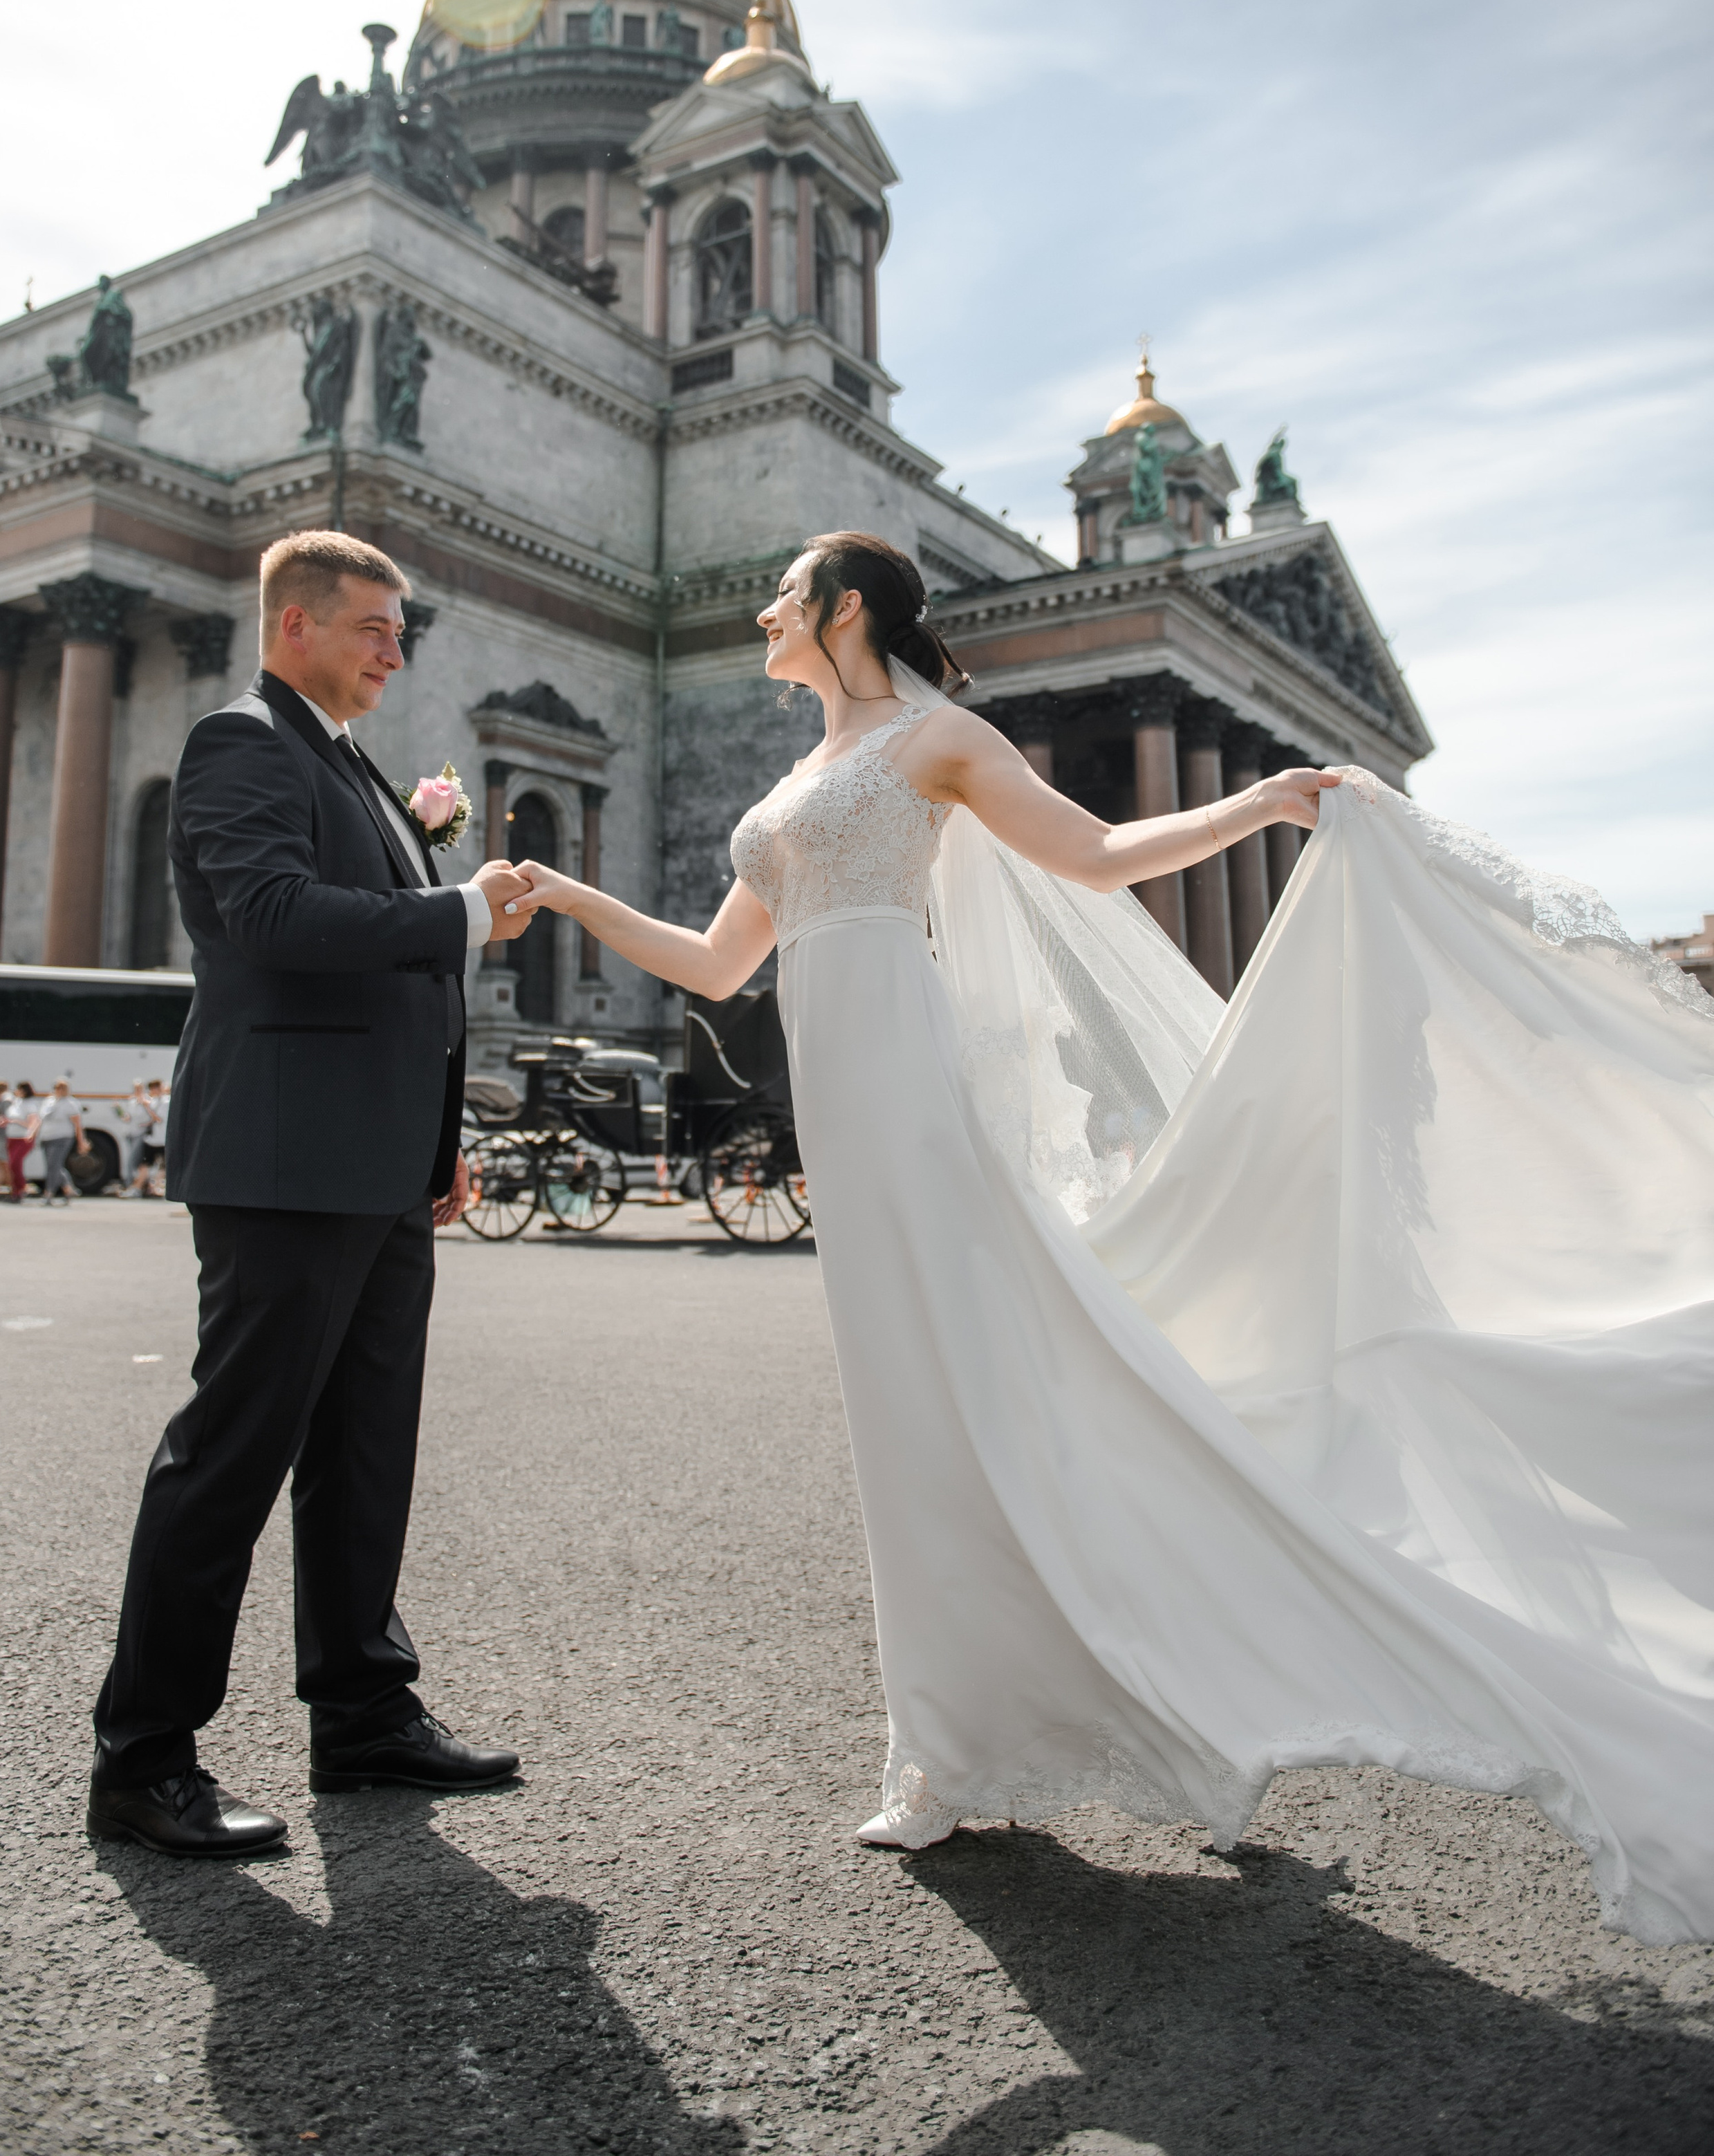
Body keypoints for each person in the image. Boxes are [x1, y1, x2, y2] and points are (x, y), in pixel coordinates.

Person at [504, 529, 1714, 1948]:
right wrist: (566, 895)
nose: (760, 607)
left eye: (783, 591)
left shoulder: (937, 739)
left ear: (839, 611)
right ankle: (950, 1739)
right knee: (911, 1431)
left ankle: (993, 1733)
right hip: (840, 1116)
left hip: (908, 1108)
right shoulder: (794, 781)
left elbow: (1091, 859)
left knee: (972, 1408)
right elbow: (719, 965)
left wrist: (1256, 803)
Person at [89, 530, 538, 1859]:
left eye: (400, 632)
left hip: (383, 1164)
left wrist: (437, 1137)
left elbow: (390, 985)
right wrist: (460, 914)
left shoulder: (348, 763)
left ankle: (361, 1713)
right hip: (287, 1163)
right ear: (295, 626)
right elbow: (272, 919)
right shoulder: (245, 746)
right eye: (376, 629)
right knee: (233, 1455)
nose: (397, 651)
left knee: (363, 1452)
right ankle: (145, 1756)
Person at [35, 1080, 89, 1206]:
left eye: (61, 1088)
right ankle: (68, 1189)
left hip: (62, 1138)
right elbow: (40, 1119)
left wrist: (81, 1141)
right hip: (47, 1137)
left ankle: (49, 1194)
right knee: (54, 1166)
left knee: (54, 1165)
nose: (59, 1090)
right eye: (57, 1088)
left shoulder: (70, 1103)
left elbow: (78, 1125)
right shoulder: (49, 1101)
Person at [131, 1079, 169, 1198]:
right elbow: (152, 1119)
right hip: (152, 1139)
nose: (154, 1090)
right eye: (152, 1088)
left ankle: (157, 1188)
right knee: (146, 1164)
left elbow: (159, 1118)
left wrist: (147, 1107)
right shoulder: (154, 1101)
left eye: (156, 1087)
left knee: (163, 1166)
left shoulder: (166, 1102)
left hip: (162, 1139)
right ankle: (139, 1188)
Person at [3, 1081, 38, 1204]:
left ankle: (21, 1189)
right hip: (12, 1138)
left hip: (22, 1138)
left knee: (15, 1163)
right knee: (11, 1165)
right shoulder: (16, 1103)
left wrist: (17, 1122)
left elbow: (33, 1122)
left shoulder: (29, 1105)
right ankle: (15, 1191)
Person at [118, 1079, 154, 1196]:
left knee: (133, 1160)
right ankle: (140, 1185)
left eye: (139, 1089)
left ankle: (131, 1185)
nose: (137, 1091)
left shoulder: (147, 1101)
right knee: (132, 1159)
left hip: (141, 1133)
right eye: (136, 1089)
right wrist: (120, 1112)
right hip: (130, 1133)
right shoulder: (131, 1101)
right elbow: (128, 1117)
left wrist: (147, 1123)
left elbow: (153, 1116)